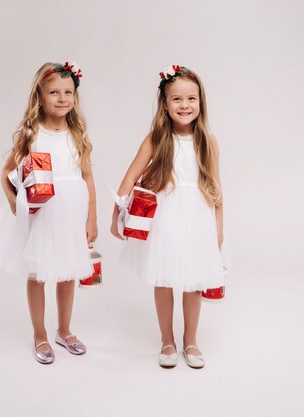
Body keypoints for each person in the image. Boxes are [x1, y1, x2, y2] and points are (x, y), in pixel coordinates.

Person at [111, 65, 225, 369]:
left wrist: (218, 228)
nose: (184, 106)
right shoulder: (156, 139)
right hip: (166, 218)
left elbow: (216, 188)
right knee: (163, 278)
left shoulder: (207, 141)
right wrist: (117, 213)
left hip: (197, 217)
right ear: (165, 104)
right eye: (177, 99)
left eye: (191, 99)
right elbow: (130, 176)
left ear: (201, 103)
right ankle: (167, 339)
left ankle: (191, 340)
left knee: (193, 281)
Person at [0, 61, 97, 364]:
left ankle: (64, 330)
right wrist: (14, 201)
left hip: (72, 214)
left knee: (67, 274)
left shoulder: (78, 134)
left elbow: (87, 177)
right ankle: (40, 334)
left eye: (68, 92)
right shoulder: (32, 133)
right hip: (43, 215)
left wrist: (92, 218)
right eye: (54, 92)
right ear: (40, 97)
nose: (62, 98)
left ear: (75, 97)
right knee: (38, 274)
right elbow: (6, 172)